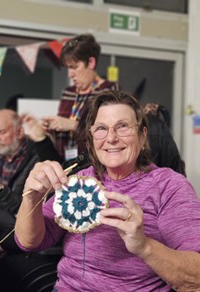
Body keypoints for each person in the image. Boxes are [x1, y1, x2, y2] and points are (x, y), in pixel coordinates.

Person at [15, 90, 200, 291]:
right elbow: (29, 242)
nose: (111, 138)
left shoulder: (169, 187)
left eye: (123, 127)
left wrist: (144, 246)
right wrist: (31, 198)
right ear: (92, 138)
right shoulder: (80, 181)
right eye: (101, 128)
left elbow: (196, 278)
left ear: (142, 134)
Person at [0, 109, 62, 254]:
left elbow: (28, 211)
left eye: (1, 132)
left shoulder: (38, 159)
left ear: (19, 132)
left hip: (24, 233)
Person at [41, 33, 120, 160]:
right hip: (65, 163)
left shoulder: (108, 90)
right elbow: (61, 137)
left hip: (94, 163)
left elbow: (110, 133)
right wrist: (49, 129)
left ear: (91, 63)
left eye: (74, 67)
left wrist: (73, 125)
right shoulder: (68, 92)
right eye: (68, 68)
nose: (70, 74)